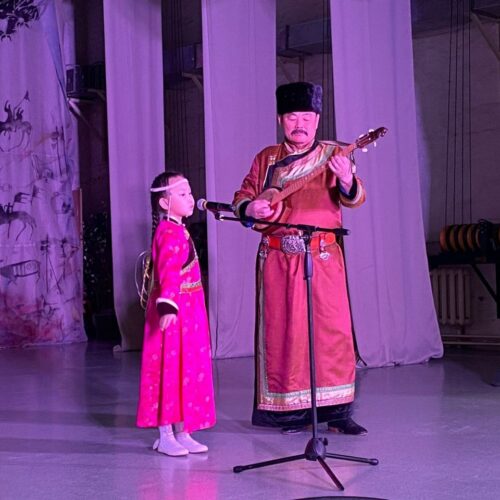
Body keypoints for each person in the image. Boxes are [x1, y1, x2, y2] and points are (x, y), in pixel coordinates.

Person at [232, 82, 367, 435]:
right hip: (279, 259)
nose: (300, 124)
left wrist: (346, 177)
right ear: (280, 119)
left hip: (323, 257)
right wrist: (251, 207)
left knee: (332, 335)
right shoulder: (266, 158)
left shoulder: (335, 154)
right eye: (292, 117)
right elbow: (242, 197)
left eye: (307, 117)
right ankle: (291, 414)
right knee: (286, 334)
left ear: (317, 120)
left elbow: (354, 198)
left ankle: (338, 412)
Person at [137, 171, 216, 456]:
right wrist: (167, 306)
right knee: (168, 371)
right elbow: (168, 272)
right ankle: (166, 435)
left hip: (189, 312)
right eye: (182, 194)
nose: (190, 199)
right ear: (164, 202)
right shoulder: (169, 233)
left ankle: (184, 431)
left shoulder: (179, 229)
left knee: (188, 369)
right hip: (174, 312)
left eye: (190, 193)